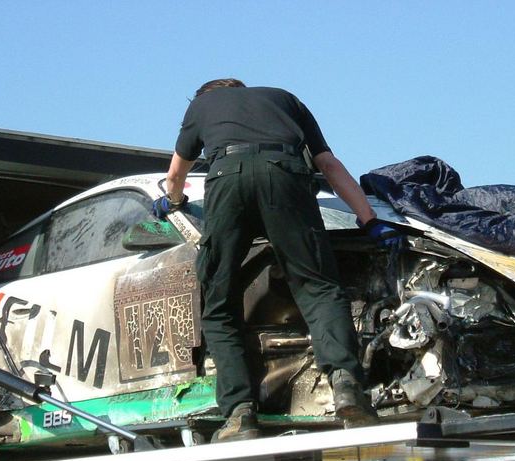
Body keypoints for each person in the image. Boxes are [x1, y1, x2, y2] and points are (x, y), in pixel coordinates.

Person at [165, 78, 399, 442]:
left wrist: (174, 202)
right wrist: (367, 218)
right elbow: (328, 165)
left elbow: (176, 174)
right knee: (320, 288)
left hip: (228, 178)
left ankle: (240, 414)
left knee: (218, 302)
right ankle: (347, 387)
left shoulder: (201, 106)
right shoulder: (284, 99)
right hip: (287, 174)